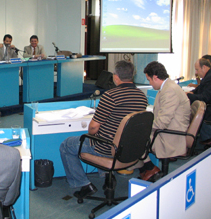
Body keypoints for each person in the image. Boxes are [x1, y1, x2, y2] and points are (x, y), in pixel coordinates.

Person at [59, 60, 147, 199]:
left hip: (107, 148)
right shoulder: (142, 96)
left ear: (116, 76)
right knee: (103, 138)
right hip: (129, 148)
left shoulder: (111, 96)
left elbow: (93, 127)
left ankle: (83, 184)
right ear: (132, 76)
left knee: (66, 145)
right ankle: (107, 176)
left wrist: (90, 135)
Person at [137, 61, 191, 181]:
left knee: (134, 138)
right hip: (168, 129)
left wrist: (143, 127)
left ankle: (149, 168)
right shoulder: (168, 87)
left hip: (171, 135)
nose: (149, 83)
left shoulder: (169, 90)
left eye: (149, 80)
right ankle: (147, 169)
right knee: (135, 135)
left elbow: (162, 122)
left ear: (155, 77)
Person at [187, 58, 211, 145]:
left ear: (204, 67)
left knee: (192, 111)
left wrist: (187, 96)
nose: (196, 72)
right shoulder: (210, 75)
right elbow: (200, 89)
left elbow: (204, 97)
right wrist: (192, 92)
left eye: (197, 69)